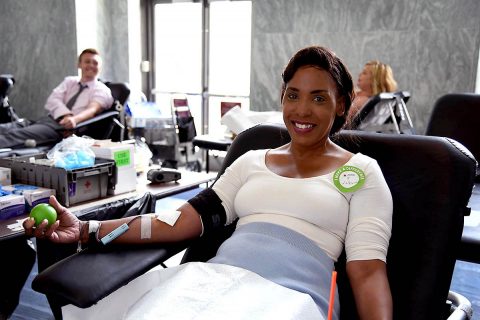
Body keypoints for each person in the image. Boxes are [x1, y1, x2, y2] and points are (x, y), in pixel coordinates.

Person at [24, 46, 393, 319]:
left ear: (341, 105)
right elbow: (178, 221)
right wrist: (88, 228)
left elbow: (367, 273)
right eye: (293, 95)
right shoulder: (251, 161)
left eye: (319, 98)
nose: (302, 110)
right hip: (209, 283)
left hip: (290, 300)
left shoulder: (362, 173)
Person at [0, 48, 113, 148]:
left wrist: (74, 120)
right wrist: (66, 114)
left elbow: (93, 110)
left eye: (95, 63)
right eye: (87, 62)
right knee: (6, 128)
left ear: (100, 67)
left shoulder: (102, 90)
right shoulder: (70, 81)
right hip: (47, 120)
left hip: (64, 129)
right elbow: (53, 99)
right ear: (79, 64)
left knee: (14, 135)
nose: (91, 65)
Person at [346, 60, 397, 125]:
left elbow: (341, 118)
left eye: (364, 73)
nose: (360, 74)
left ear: (374, 80)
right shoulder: (360, 96)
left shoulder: (362, 101)